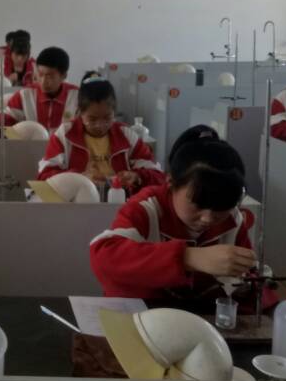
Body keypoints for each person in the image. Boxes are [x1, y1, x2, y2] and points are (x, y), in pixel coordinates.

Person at [89, 125, 260, 301]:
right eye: (198, 205)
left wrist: (246, 286)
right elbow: (103, 257)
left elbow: (249, 278)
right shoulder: (147, 208)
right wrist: (188, 258)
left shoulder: (233, 219)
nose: (208, 218)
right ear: (171, 183)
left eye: (221, 207)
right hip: (144, 313)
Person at [37, 76, 163, 192]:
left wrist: (137, 177)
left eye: (107, 118)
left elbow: (157, 175)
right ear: (80, 113)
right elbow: (44, 177)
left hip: (119, 200)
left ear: (114, 112)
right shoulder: (65, 134)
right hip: (78, 200)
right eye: (92, 119)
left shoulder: (126, 135)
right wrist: (79, 178)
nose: (100, 125)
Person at [0, 46, 78, 137]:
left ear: (64, 76)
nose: (44, 81)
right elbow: (5, 119)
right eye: (40, 74)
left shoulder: (77, 97)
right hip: (31, 152)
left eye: (50, 76)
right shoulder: (25, 95)